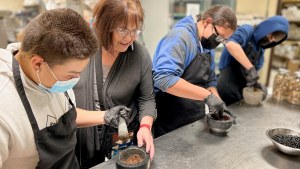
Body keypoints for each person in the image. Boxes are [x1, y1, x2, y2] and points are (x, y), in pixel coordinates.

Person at [0, 8, 131, 169]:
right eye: (71, 75)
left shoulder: (51, 73)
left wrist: (105, 116)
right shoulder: (4, 106)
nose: (75, 81)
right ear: (38, 64)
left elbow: (64, 115)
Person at [73, 0, 157, 168]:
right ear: (105, 25)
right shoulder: (81, 47)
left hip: (122, 132)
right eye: (123, 30)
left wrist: (146, 127)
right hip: (84, 132)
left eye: (135, 30)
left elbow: (147, 99)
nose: (130, 37)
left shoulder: (140, 56)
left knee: (120, 163)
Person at [152, 5, 237, 138]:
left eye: (223, 40)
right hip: (169, 121)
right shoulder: (180, 38)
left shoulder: (207, 45)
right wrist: (208, 97)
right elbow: (164, 78)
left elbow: (210, 81)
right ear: (207, 22)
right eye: (219, 37)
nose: (219, 42)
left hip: (193, 117)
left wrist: (219, 102)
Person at [217, 16, 289, 105]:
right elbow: (231, 44)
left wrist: (255, 84)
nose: (271, 40)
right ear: (267, 28)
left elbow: (252, 75)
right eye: (273, 35)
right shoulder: (247, 30)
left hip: (241, 92)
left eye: (277, 38)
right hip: (225, 86)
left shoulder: (260, 50)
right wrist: (250, 68)